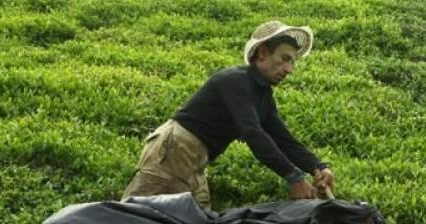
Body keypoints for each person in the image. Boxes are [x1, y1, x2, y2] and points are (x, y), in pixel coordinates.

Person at [122, 20, 335, 209]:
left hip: (196, 158)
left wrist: (317, 166)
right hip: (175, 148)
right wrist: (294, 177)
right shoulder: (235, 81)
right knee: (137, 214)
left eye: (293, 62)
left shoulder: (262, 95)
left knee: (195, 223)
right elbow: (253, 133)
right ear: (262, 53)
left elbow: (282, 138)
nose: (289, 69)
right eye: (285, 58)